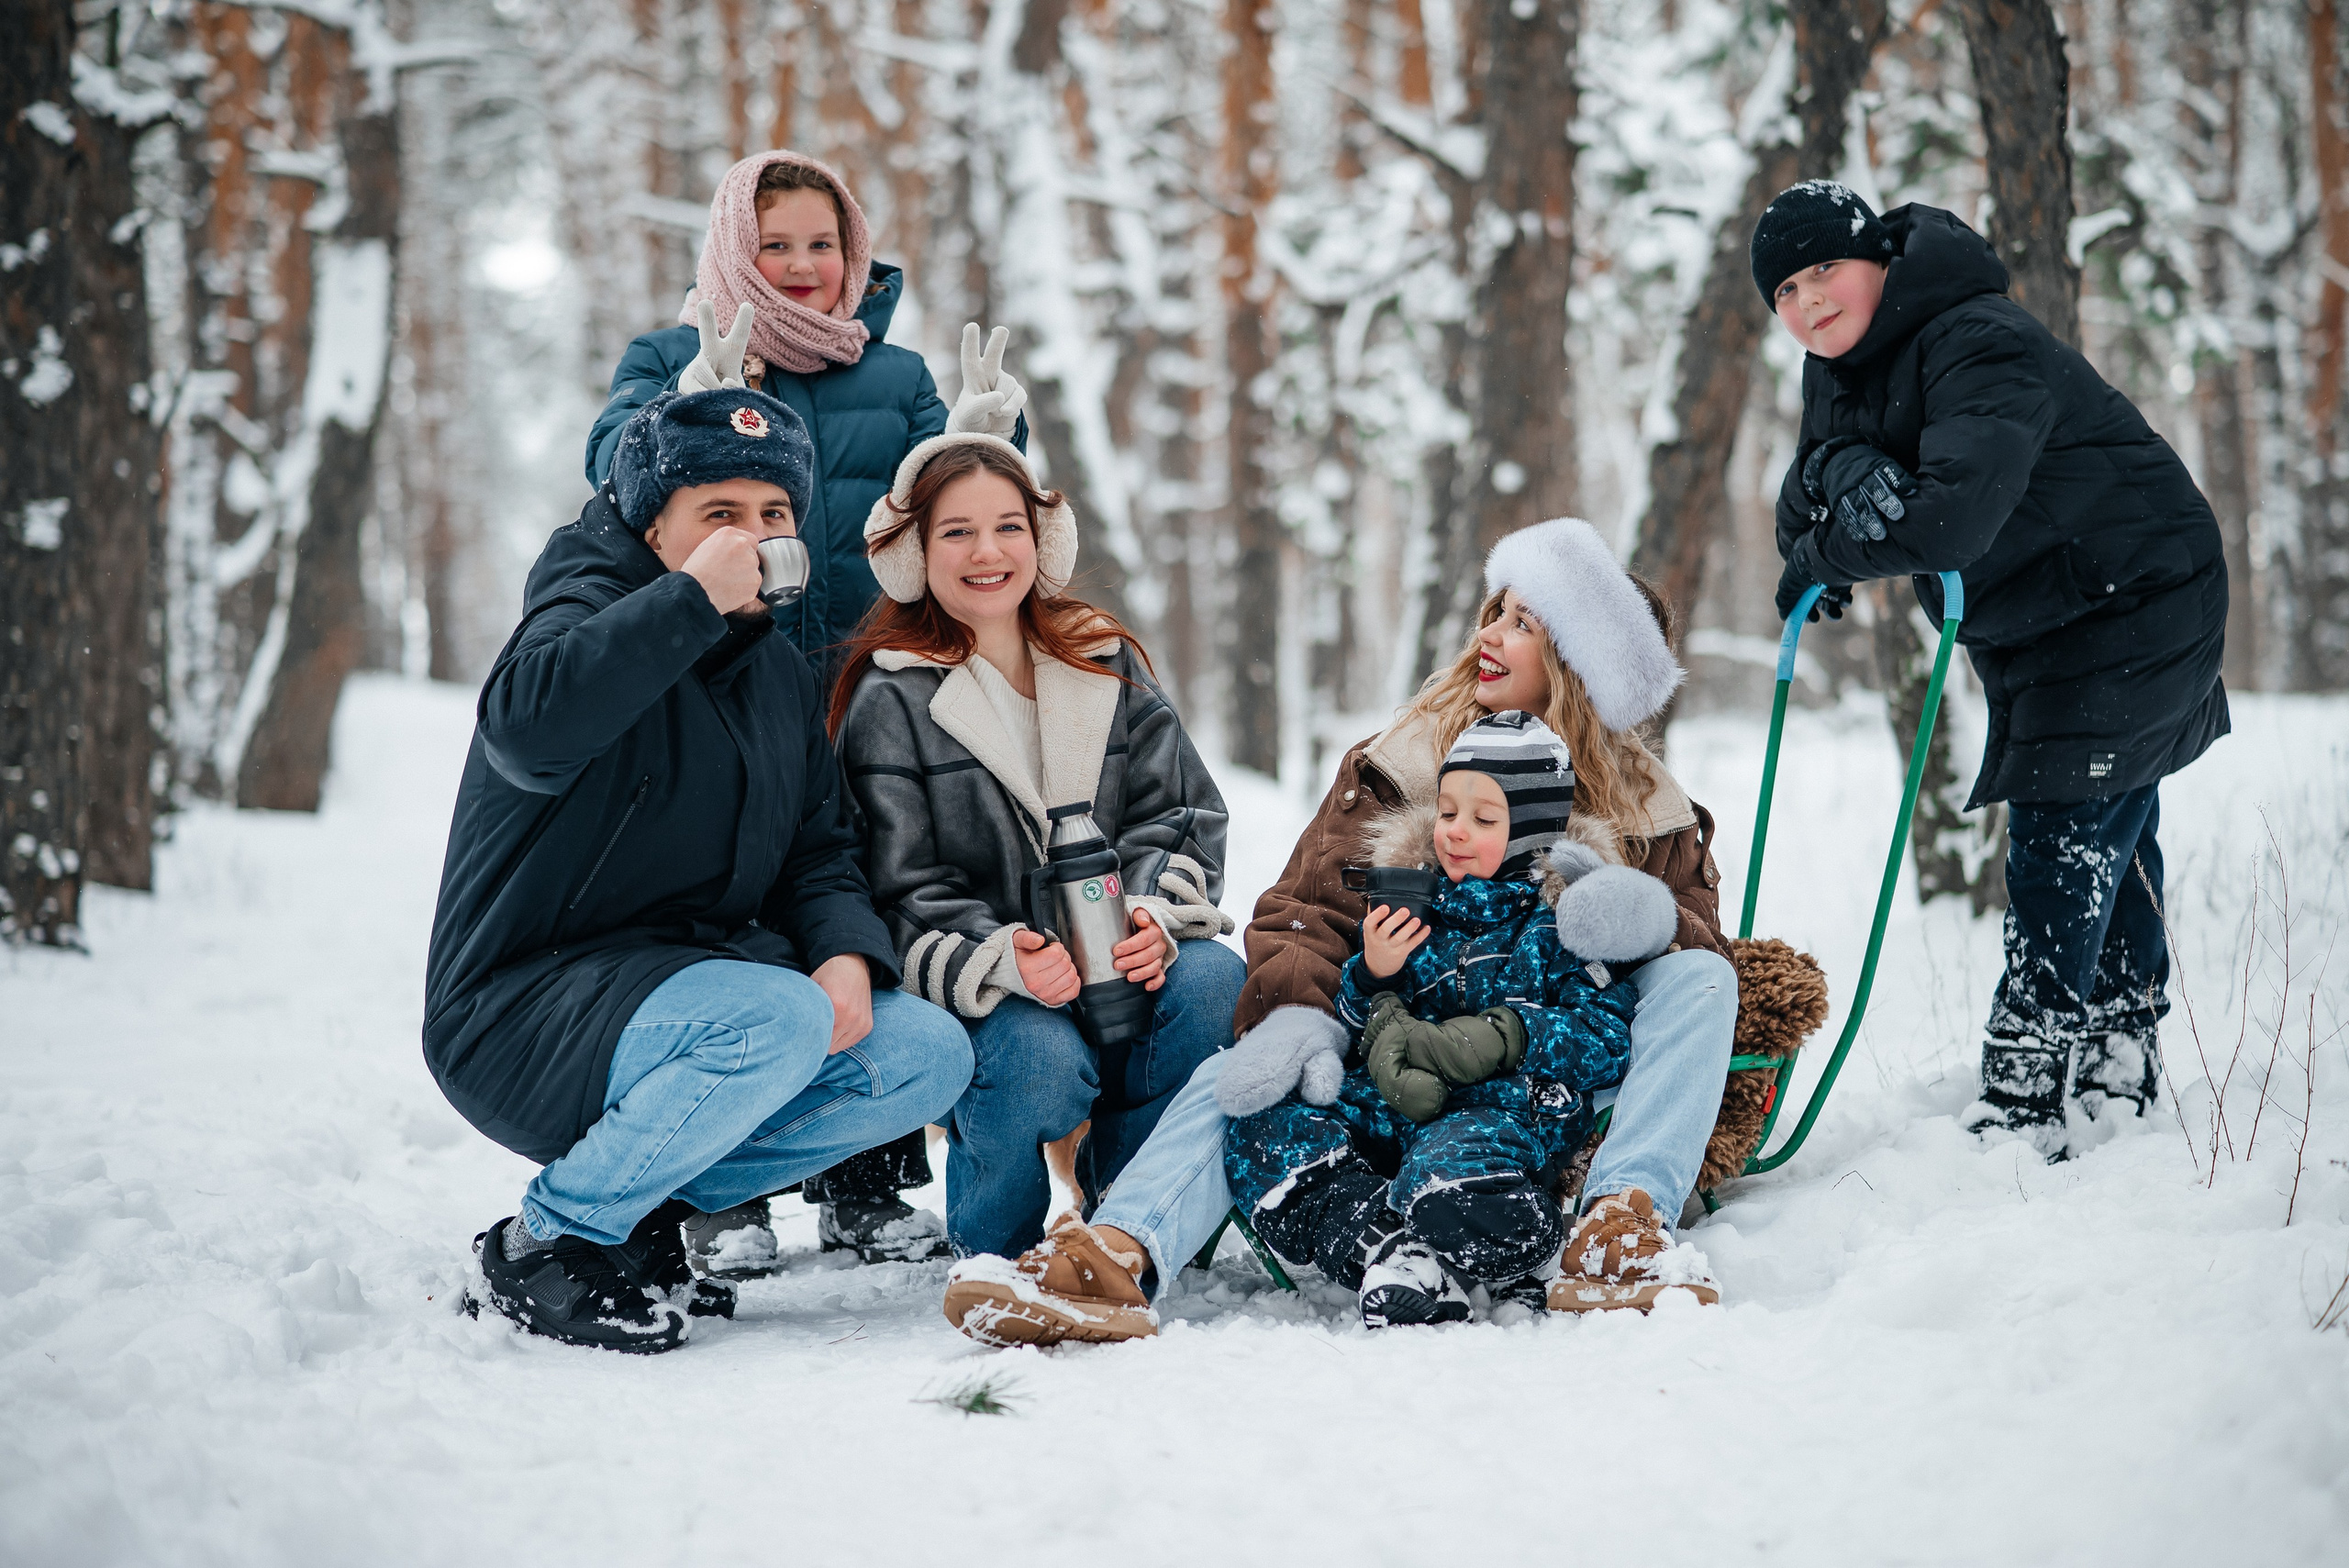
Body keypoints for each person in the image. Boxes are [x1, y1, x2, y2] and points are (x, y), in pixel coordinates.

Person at [425, 386, 971, 1352]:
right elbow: (527, 729)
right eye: (718, 514)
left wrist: (847, 951)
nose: (752, 538)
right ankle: (547, 1241)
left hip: (683, 1000)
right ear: (652, 525)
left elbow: (817, 848)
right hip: (522, 1009)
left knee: (924, 1050)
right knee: (775, 1014)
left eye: (773, 515)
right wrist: (684, 603)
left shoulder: (772, 669)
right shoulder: (584, 601)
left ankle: (637, 1210)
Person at [584, 150, 1030, 1263]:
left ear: (854, 253)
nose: (799, 268)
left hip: (861, 691)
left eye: (821, 245)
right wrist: (685, 410)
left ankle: (865, 1181)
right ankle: (717, 1195)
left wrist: (983, 440)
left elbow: (956, 506)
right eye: (773, 244)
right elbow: (610, 473)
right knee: (732, 915)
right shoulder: (667, 353)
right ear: (737, 245)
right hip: (717, 694)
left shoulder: (897, 376)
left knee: (862, 913)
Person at [1753, 182, 2228, 1159]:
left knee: (2064, 822)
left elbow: (1945, 521)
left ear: (1879, 256)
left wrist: (1820, 550)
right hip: (2043, 619)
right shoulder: (1835, 366)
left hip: (2131, 596)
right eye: (1785, 290)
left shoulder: (1977, 338)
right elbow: (1801, 497)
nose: (1808, 303)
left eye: (1823, 271)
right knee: (2114, 815)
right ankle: (2118, 1053)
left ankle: (2022, 1094)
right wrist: (1836, 478)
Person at [1222, 517, 1741, 1313]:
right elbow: (1306, 909)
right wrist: (1313, 1008)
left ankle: (1619, 1222)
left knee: (1702, 977)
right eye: (1497, 609)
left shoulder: (1648, 812)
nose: (1488, 634)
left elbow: (1683, 956)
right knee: (1240, 1087)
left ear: (1575, 663)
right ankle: (1128, 1238)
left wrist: (1628, 921)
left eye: (1523, 623)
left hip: (1543, 1081)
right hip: (1396, 1061)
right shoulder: (1406, 756)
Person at [828, 432, 1245, 1345]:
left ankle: (1125, 1229)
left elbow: (1179, 811)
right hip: (996, 985)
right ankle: (995, 1249)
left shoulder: (1104, 657)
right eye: (958, 533)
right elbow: (893, 880)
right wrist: (996, 953)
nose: (988, 554)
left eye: (1007, 527)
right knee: (1035, 1058)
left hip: (1119, 952)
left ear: (1039, 538)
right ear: (914, 551)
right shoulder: (888, 698)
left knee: (1213, 981)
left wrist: (1151, 911)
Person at [1224, 710, 1704, 1329]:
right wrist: (1374, 975)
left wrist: (1511, 1035)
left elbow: (1605, 1039)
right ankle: (1390, 1247)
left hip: (1497, 1117)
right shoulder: (1414, 902)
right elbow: (1352, 1027)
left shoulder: (1563, 922)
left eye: (1482, 818)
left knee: (1444, 1177)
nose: (1453, 830)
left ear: (1530, 831)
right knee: (1261, 1125)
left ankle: (1529, 1244)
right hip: (1399, 1109)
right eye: (1448, 810)